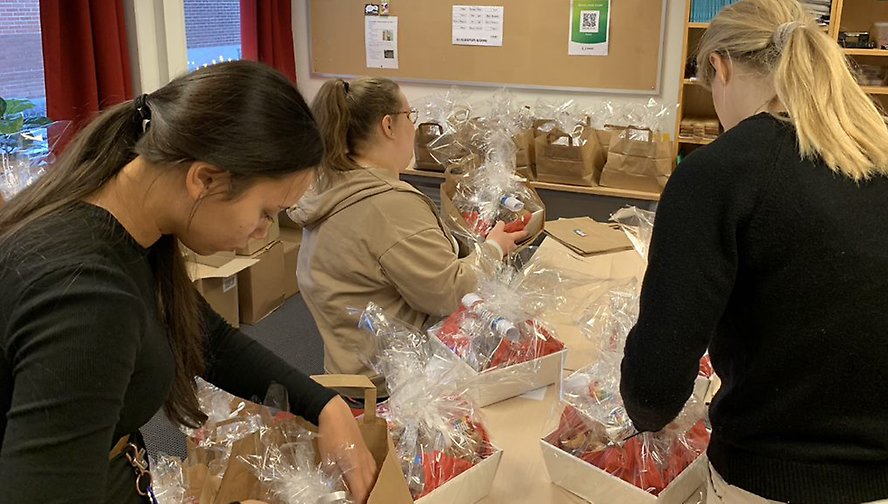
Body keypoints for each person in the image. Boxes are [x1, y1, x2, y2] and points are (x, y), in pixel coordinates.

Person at [619, 0, 888, 502]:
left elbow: (654, 386)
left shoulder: (719, 173)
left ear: (720, 67)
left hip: (781, 478)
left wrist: (645, 415)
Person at [0, 61, 376, 503]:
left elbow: (198, 333)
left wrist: (323, 404)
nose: (263, 232)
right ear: (205, 179)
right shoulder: (87, 296)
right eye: (266, 213)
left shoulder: (127, 228)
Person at [289, 78, 526, 398]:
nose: (413, 127)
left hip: (347, 369)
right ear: (388, 125)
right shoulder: (388, 204)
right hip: (397, 382)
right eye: (410, 116)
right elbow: (449, 292)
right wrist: (494, 248)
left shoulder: (332, 187)